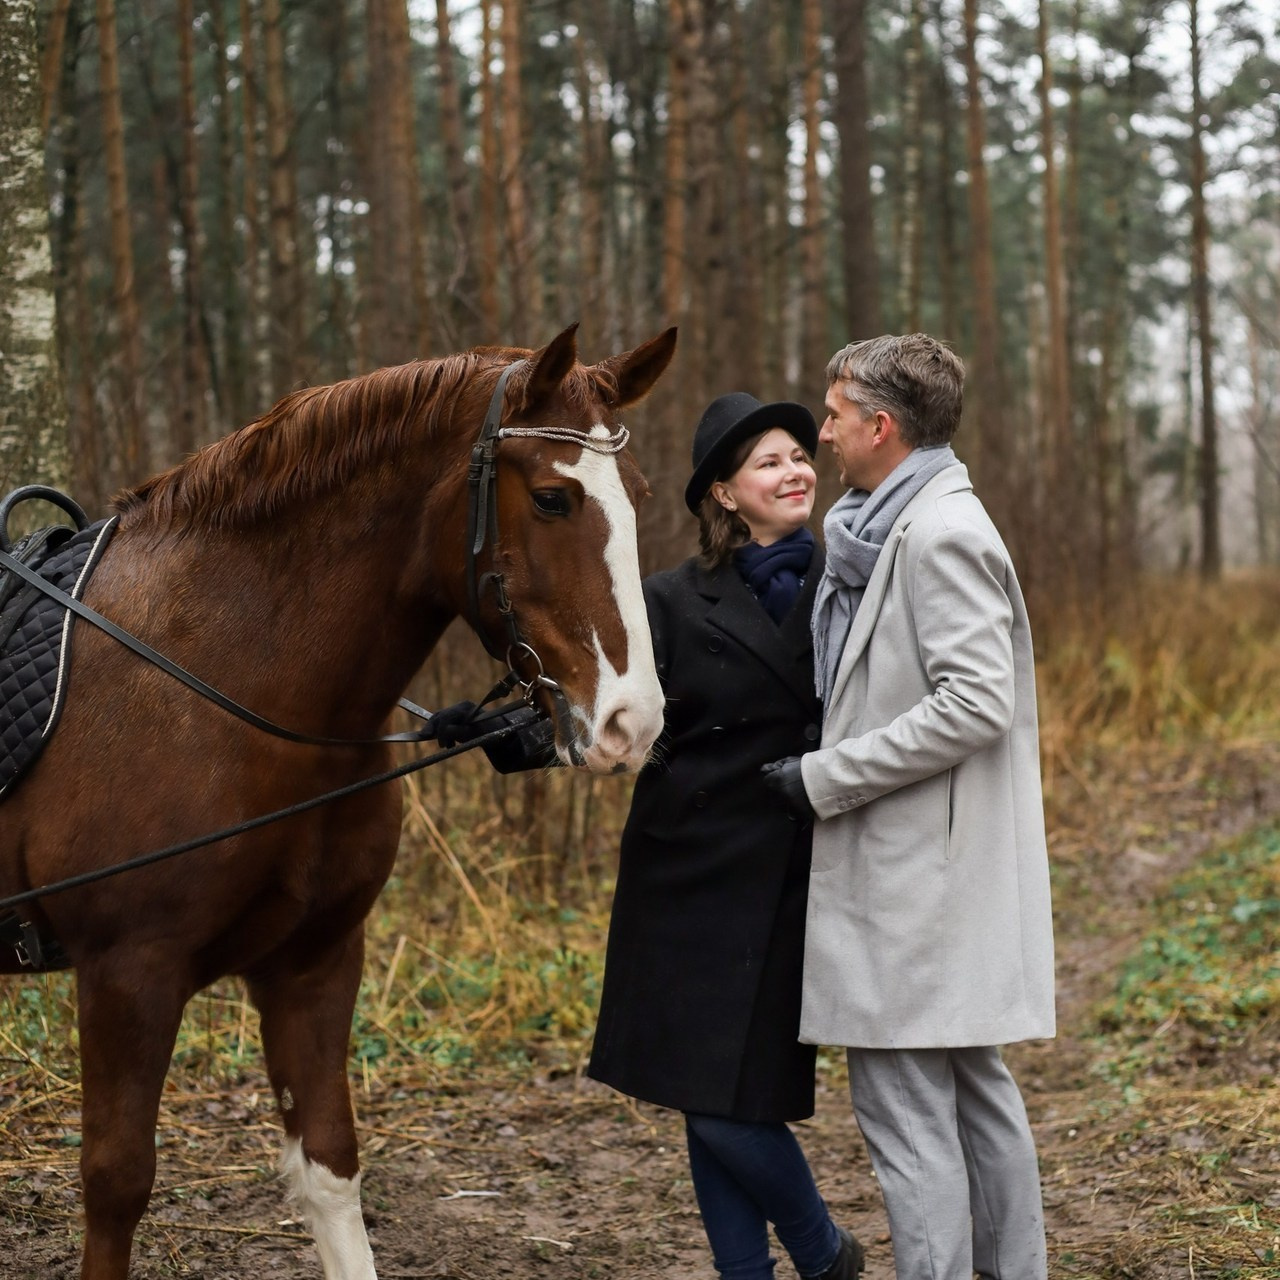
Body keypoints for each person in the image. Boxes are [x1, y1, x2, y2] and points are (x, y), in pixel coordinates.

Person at [761, 334, 1055, 1280]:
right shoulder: (892, 525)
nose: (825, 431)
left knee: (908, 1116)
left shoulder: (938, 535)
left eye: (837, 414)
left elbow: (976, 701)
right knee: (974, 1098)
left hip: (916, 878)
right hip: (926, 871)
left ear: (881, 426)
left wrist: (824, 774)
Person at [588, 392, 865, 1280]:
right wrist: (497, 733)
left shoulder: (850, 583)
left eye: (797, 455)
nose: (795, 472)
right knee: (702, 1096)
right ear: (723, 495)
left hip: (791, 873)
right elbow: (602, 710)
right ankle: (809, 1258)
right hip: (681, 876)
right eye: (769, 463)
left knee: (726, 1102)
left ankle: (821, 1255)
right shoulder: (665, 600)